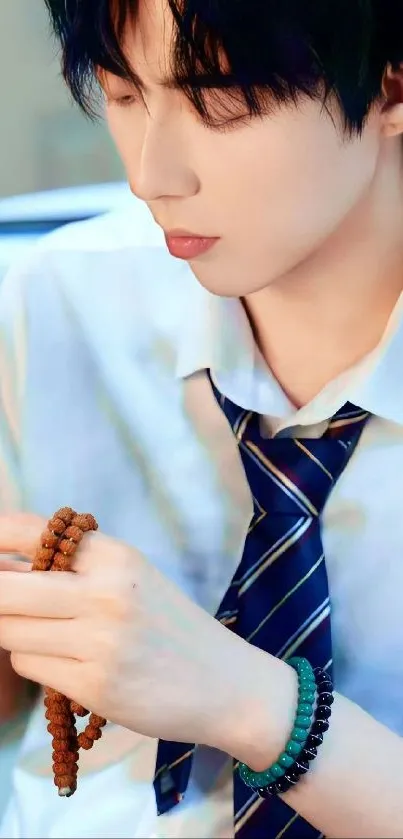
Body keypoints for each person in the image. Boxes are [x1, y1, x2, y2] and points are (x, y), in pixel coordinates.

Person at [0, 0, 403, 835]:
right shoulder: (48, 306)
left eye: (221, 99)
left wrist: (253, 705)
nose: (153, 175)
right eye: (119, 93)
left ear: (391, 85)